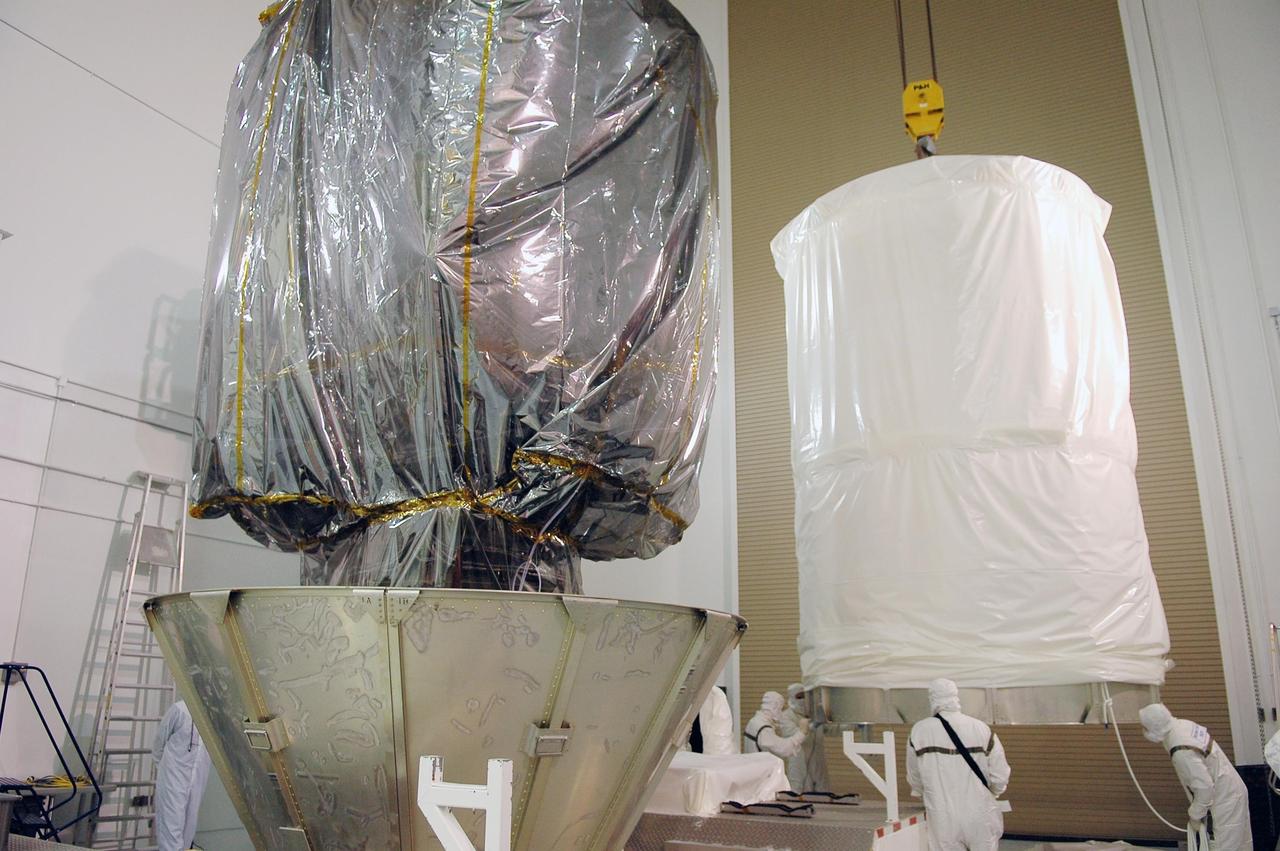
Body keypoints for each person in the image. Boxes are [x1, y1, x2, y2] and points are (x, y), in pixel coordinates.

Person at [906, 679, 1011, 851]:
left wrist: (925, 795)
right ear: (956, 696)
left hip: (941, 816)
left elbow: (915, 777)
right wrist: (992, 793)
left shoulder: (919, 731)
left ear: (932, 698)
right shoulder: (980, 728)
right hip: (979, 813)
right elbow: (1000, 775)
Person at [1139, 703, 1252, 850]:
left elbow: (1204, 787)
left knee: (1224, 846)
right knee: (1241, 844)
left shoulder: (1180, 750)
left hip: (1224, 801)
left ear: (1154, 728)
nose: (1144, 732)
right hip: (1232, 789)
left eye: (1145, 728)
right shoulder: (1183, 725)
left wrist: (1195, 815)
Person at [152, 700, 212, 851]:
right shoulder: (180, 710)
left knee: (189, 828)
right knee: (171, 828)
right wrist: (166, 772)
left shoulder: (212, 714)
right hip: (173, 778)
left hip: (197, 779)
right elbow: (159, 744)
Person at [778, 683, 829, 792]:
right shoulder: (786, 717)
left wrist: (852, 726)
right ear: (792, 697)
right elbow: (794, 735)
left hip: (817, 761)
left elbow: (832, 729)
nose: (802, 700)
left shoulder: (815, 714)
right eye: (799, 697)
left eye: (804, 696)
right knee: (797, 790)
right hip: (798, 761)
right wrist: (812, 725)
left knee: (822, 790)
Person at [743, 691, 807, 759]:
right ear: (775, 707)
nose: (781, 713)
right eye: (781, 709)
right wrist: (802, 732)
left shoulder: (754, 721)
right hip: (761, 768)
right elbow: (784, 749)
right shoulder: (763, 728)